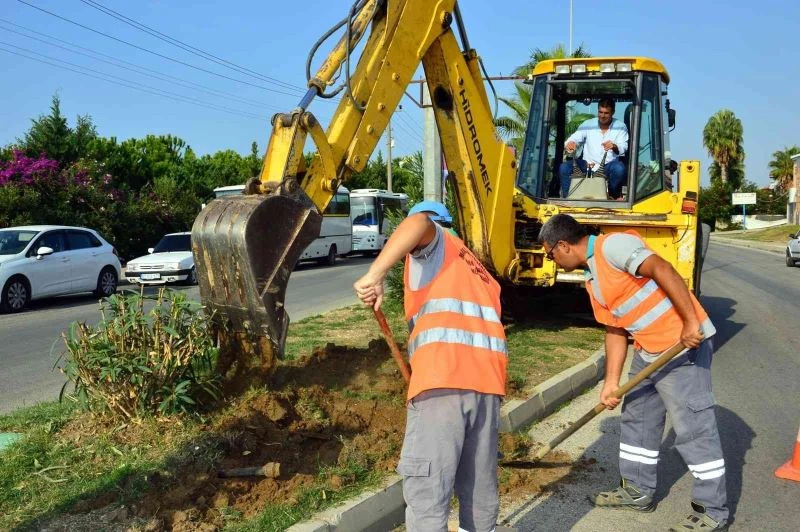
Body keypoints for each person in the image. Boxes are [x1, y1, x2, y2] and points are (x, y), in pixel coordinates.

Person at [538, 214, 728, 532]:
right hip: (649, 352)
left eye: (549, 253)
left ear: (563, 245)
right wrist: (611, 383)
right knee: (636, 419)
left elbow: (662, 269)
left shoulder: (613, 246)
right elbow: (615, 331)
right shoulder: (593, 280)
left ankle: (712, 511)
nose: (551, 260)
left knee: (693, 429)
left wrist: (690, 322)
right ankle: (637, 491)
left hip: (682, 349)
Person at [353, 200, 507, 532]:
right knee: (479, 490)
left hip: (442, 385)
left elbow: (419, 223)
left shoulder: (435, 243)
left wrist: (375, 273)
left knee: (428, 494)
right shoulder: (479, 272)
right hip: (488, 389)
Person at [559, 98, 628, 199]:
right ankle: (568, 198)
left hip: (607, 167)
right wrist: (571, 143)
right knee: (564, 168)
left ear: (612, 112)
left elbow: (623, 147)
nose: (602, 116)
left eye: (606, 113)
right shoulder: (588, 124)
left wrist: (614, 146)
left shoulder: (620, 126)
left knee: (619, 169)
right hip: (587, 165)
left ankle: (614, 195)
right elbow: (574, 138)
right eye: (600, 112)